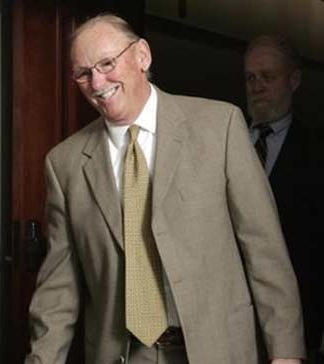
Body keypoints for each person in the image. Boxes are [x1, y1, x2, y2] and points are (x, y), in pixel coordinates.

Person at [25, 14, 305, 364]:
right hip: (124, 354)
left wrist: (287, 353)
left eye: (107, 63)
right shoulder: (64, 164)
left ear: (142, 55)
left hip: (217, 351)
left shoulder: (220, 127)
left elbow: (265, 252)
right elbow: (58, 289)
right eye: (83, 73)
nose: (97, 82)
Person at [244, 35, 324, 363]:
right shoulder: (222, 139)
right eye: (250, 78)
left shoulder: (317, 153)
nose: (257, 86)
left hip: (294, 328)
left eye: (268, 76)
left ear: (294, 80)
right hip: (227, 322)